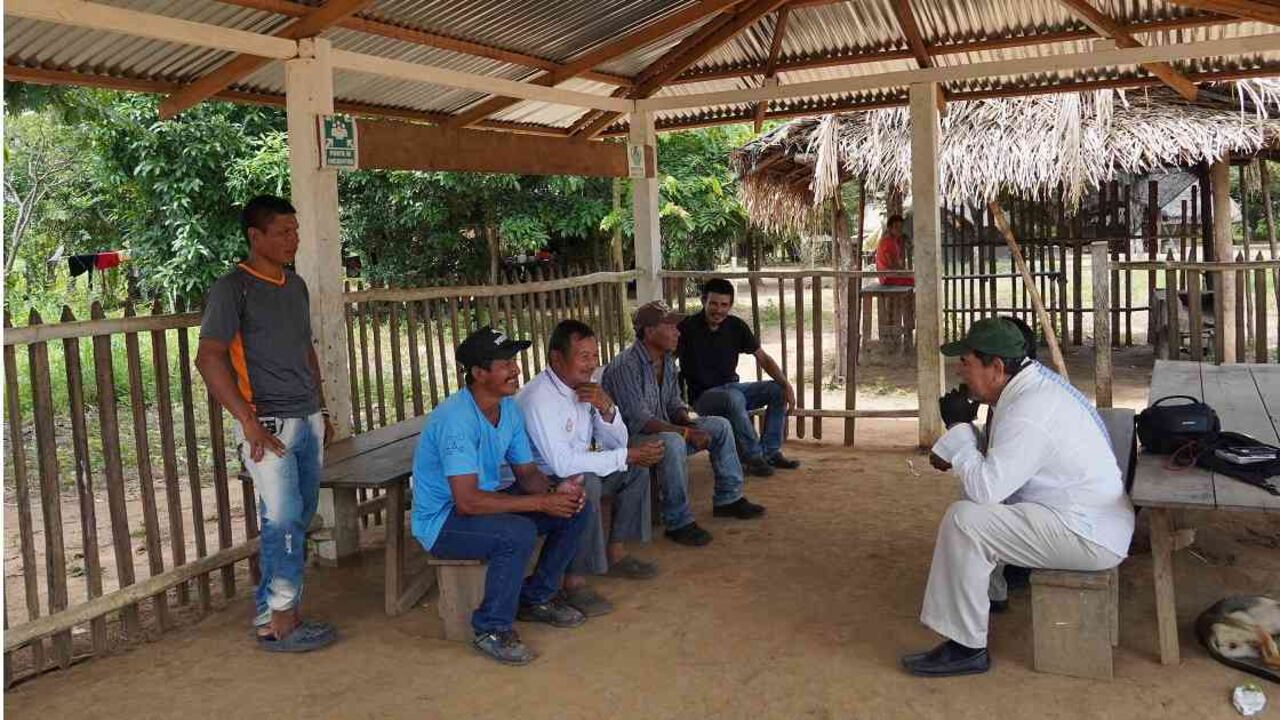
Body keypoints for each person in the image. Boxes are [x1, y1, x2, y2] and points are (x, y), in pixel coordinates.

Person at [901, 318, 1134, 677]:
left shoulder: (1030, 410)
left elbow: (988, 488)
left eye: (967, 363)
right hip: (1082, 517)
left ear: (996, 367)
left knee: (965, 521)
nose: (960, 371)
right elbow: (999, 467)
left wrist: (959, 428)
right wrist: (962, 438)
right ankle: (990, 594)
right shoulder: (1026, 389)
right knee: (974, 500)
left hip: (1089, 534)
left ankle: (966, 648)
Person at [196, 194, 337, 652]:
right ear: (255, 237)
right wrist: (249, 423)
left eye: (295, 231)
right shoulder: (231, 289)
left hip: (306, 417)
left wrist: (323, 409)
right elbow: (209, 358)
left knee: (297, 517)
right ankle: (280, 624)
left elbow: (306, 349)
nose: (292, 240)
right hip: (268, 424)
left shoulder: (294, 285)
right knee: (282, 522)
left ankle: (274, 610)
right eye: (283, 232)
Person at [411, 326, 592, 666]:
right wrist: (541, 502)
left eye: (514, 361)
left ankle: (536, 599)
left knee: (574, 509)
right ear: (479, 374)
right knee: (516, 532)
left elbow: (527, 474)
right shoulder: (456, 420)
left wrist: (556, 493)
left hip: (483, 502)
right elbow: (466, 501)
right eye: (505, 363)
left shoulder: (507, 409)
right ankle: (491, 628)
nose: (516, 370)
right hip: (443, 521)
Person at [516, 320, 665, 618]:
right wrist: (626, 455)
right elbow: (561, 463)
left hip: (576, 469)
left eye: (595, 356)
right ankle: (575, 580)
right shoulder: (538, 399)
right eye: (584, 356)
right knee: (588, 485)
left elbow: (618, 441)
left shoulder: (584, 390)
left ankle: (617, 552)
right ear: (556, 359)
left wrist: (606, 408)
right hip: (540, 481)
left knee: (632, 470)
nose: (592, 364)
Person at [602, 300, 766, 548]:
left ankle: (728, 498)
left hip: (661, 432)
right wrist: (687, 432)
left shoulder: (666, 361)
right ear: (649, 331)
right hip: (629, 441)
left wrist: (686, 418)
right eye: (670, 327)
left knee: (719, 425)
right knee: (674, 441)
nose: (678, 332)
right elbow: (641, 421)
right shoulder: (626, 366)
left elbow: (672, 403)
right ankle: (677, 521)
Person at [677, 278, 800, 477]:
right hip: (703, 397)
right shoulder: (686, 328)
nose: (718, 310)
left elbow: (763, 358)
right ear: (703, 301)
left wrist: (786, 384)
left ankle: (770, 451)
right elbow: (665, 360)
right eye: (713, 304)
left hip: (733, 389)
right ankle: (752, 457)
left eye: (724, 305)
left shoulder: (736, 326)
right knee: (733, 398)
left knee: (776, 390)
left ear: (730, 305)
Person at [875, 214, 914, 287]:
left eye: (901, 227)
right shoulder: (886, 242)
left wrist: (904, 271)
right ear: (889, 228)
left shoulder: (894, 241)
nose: (899, 229)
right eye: (896, 227)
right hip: (887, 277)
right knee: (916, 281)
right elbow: (891, 265)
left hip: (892, 275)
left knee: (915, 279)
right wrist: (904, 271)